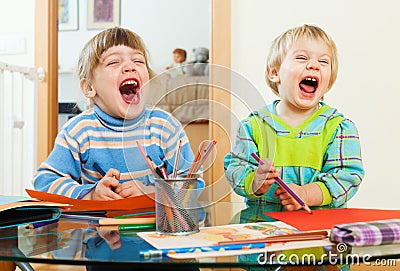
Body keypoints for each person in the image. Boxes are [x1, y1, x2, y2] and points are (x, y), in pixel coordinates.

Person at [33, 27, 195, 200]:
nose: (130, 67)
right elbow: (44, 181)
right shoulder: (79, 131)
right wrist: (91, 193)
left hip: (160, 226)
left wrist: (152, 193)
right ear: (89, 87)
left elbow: (193, 183)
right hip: (98, 226)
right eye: (113, 62)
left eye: (138, 61)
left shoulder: (165, 126)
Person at [224, 24, 364, 214]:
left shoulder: (339, 127)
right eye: (301, 58)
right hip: (262, 232)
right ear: (274, 73)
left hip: (320, 235)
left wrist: (306, 194)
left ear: (329, 80)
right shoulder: (253, 126)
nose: (314, 65)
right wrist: (255, 181)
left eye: (323, 62)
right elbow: (235, 169)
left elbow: (348, 177)